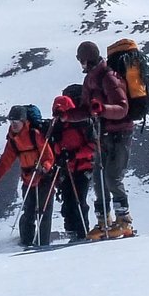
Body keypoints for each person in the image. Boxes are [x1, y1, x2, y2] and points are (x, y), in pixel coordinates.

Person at [76, 41, 135, 237]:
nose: (80, 64)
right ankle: (104, 222)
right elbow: (87, 109)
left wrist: (102, 109)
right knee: (99, 179)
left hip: (120, 133)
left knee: (112, 177)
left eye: (80, 59)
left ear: (86, 59)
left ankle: (124, 221)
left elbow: (122, 108)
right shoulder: (90, 81)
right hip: (102, 134)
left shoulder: (109, 77)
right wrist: (67, 115)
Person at [0, 105, 58, 249]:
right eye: (11, 122)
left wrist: (44, 168)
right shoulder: (13, 139)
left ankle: (42, 245)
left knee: (43, 212)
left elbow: (49, 157)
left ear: (24, 121)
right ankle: (27, 243)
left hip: (43, 178)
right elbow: (6, 160)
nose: (14, 125)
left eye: (16, 121)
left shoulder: (35, 135)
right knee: (29, 211)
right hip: (28, 178)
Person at [49, 88, 97, 242]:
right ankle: (71, 232)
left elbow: (94, 147)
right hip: (67, 169)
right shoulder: (56, 129)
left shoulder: (82, 125)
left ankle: (82, 232)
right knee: (68, 202)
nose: (59, 117)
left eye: (61, 114)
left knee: (79, 200)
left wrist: (73, 154)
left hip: (83, 168)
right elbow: (53, 149)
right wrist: (60, 156)